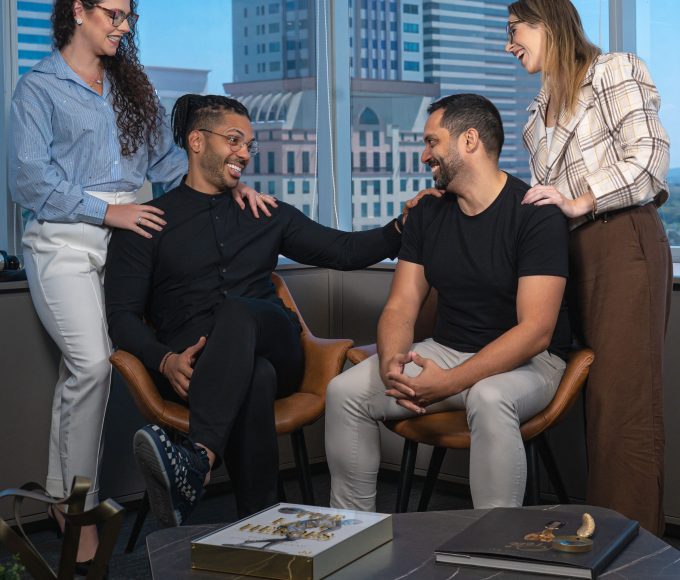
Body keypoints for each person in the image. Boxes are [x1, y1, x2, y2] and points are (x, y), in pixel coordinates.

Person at [8, 0, 270, 565]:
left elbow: (168, 164)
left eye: (130, 18)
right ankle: (79, 508)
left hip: (131, 236)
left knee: (91, 367)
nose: (124, 27)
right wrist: (108, 212)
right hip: (65, 242)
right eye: (114, 14)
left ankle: (65, 497)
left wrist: (231, 181)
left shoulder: (129, 86)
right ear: (78, 10)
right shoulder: (38, 89)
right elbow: (29, 181)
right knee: (91, 365)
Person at [104, 93, 415, 527]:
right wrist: (164, 359)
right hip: (193, 370)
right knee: (255, 376)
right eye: (234, 140)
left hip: (277, 344)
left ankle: (198, 458)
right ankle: (262, 524)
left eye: (249, 145)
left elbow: (344, 251)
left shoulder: (265, 213)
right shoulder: (148, 222)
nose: (245, 154)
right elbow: (121, 316)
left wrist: (401, 226)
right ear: (197, 141)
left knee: (239, 315)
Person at [326, 93, 571, 512]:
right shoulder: (427, 213)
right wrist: (392, 367)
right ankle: (353, 530)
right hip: (446, 351)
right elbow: (401, 306)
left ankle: (496, 541)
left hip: (529, 362)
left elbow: (536, 331)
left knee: (488, 397)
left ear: (469, 140)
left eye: (432, 142)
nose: (425, 156)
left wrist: (450, 382)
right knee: (344, 392)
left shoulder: (535, 214)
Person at [505, 0, 671, 535]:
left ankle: (631, 547)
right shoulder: (536, 116)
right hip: (568, 255)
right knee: (588, 400)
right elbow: (543, 197)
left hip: (620, 239)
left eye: (515, 29)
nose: (509, 44)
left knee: (621, 403)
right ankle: (595, 536)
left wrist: (579, 201)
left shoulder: (613, 70)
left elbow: (649, 160)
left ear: (548, 22)